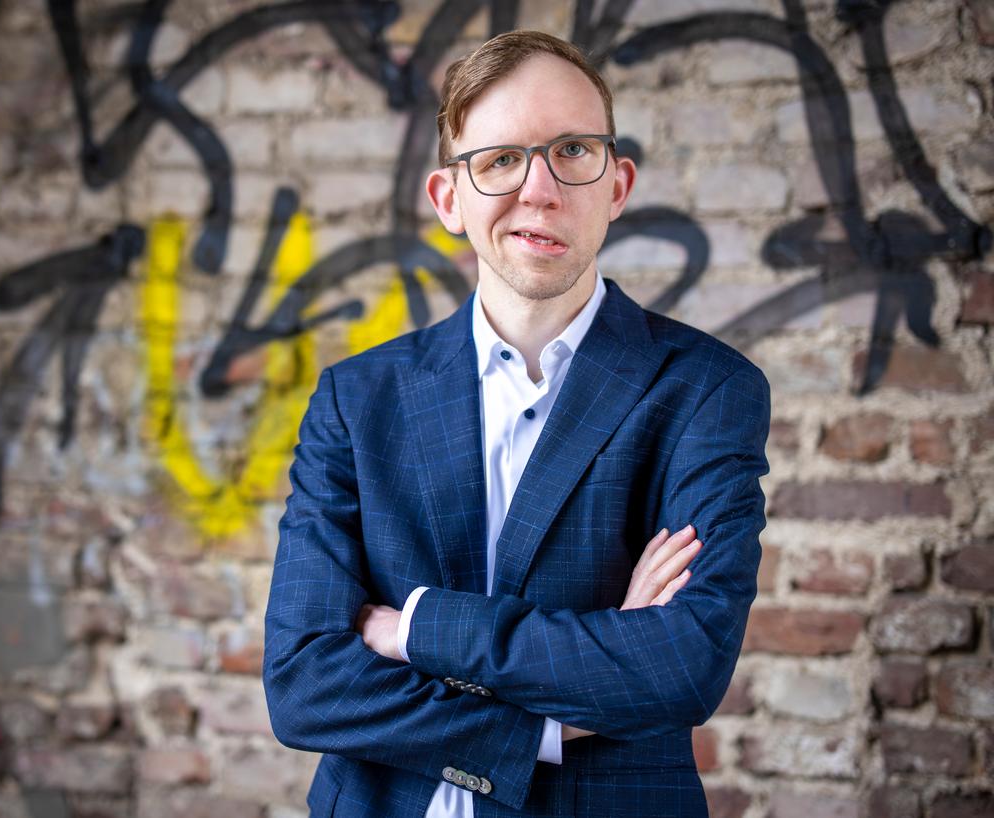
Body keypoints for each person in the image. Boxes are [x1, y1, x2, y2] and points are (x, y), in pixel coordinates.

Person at [263, 30, 770, 818]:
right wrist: (552, 719)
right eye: (501, 159)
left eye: (573, 151)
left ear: (617, 185)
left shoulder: (705, 391)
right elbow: (303, 686)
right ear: (448, 200)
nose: (541, 188)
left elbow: (682, 666)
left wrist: (414, 630)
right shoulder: (356, 401)